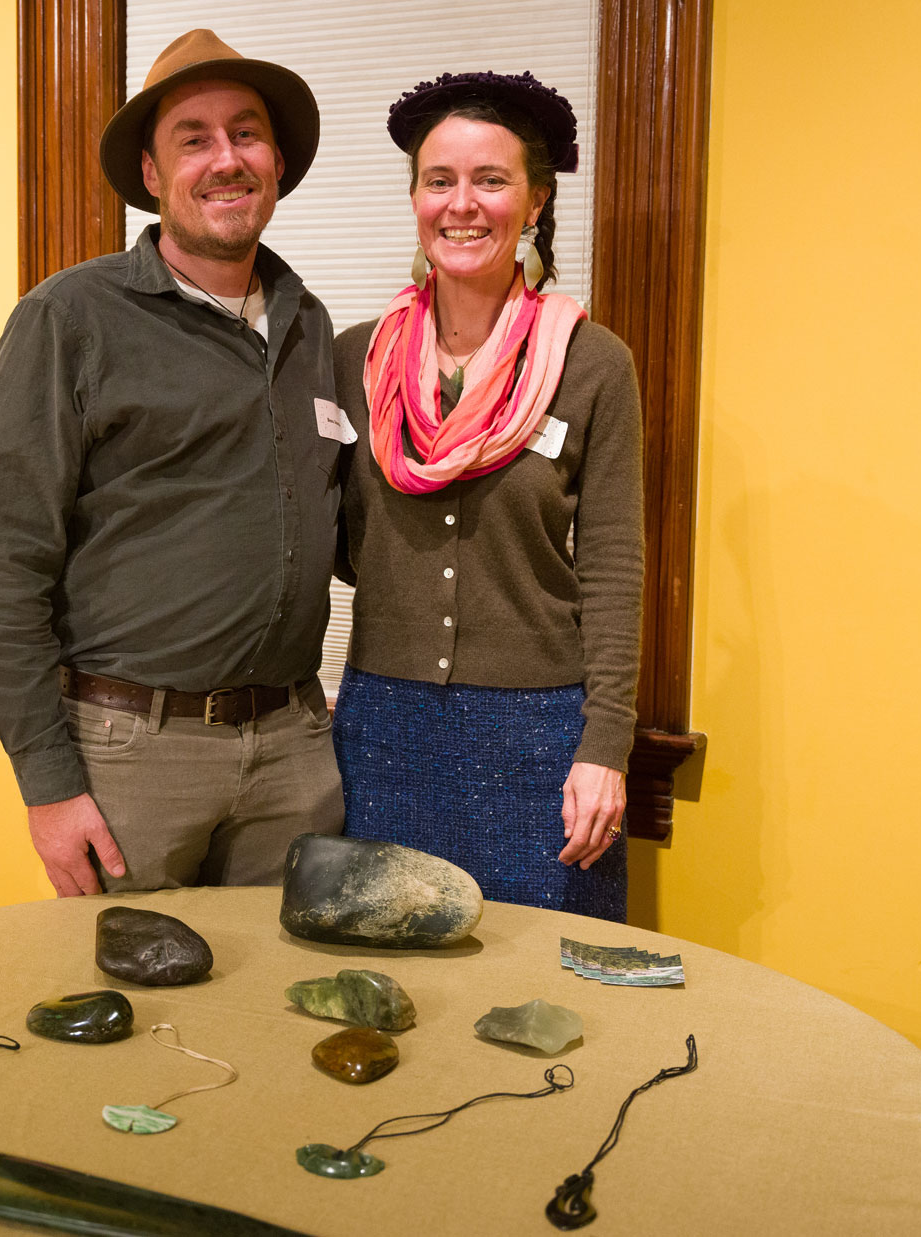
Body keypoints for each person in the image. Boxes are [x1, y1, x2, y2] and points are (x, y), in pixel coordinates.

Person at [0, 30, 345, 898]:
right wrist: (48, 781)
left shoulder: (309, 325)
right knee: (130, 1018)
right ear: (150, 173)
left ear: (277, 161)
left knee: (278, 1015)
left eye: (246, 134)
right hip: (133, 758)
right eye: (194, 139)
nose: (226, 160)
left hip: (293, 754)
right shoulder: (69, 321)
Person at [332, 71, 644, 921]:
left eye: (491, 180)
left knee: (540, 994)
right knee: (383, 991)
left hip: (539, 738)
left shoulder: (592, 363)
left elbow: (613, 571)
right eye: (440, 181)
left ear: (536, 200)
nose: (461, 205)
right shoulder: (353, 360)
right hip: (383, 730)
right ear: (415, 198)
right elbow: (324, 539)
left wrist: (604, 747)